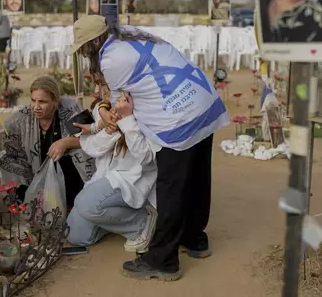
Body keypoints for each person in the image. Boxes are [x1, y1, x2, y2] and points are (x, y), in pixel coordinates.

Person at [69, 16, 229, 281]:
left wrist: (109, 111)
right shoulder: (129, 33)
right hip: (200, 100)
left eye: (85, 47)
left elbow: (122, 102)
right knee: (198, 178)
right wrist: (105, 108)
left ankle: (163, 261)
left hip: (176, 117)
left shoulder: (109, 60)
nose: (86, 54)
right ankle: (194, 238)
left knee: (172, 189)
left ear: (95, 41)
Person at [67, 79, 157, 253]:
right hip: (105, 179)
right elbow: (93, 148)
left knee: (85, 204)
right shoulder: (103, 110)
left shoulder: (145, 112)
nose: (96, 89)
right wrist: (109, 128)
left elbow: (146, 158)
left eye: (102, 85)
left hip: (132, 180)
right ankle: (112, 218)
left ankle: (142, 223)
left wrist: (127, 119)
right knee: (76, 236)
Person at [0, 76, 95, 210]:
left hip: (66, 171)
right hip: (33, 170)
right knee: (6, 162)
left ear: (55, 101)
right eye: (33, 100)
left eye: (43, 102)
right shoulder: (24, 116)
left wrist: (65, 142)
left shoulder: (68, 110)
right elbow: (3, 136)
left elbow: (93, 139)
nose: (36, 107)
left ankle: (73, 204)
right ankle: (25, 206)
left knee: (79, 153)